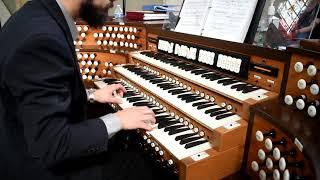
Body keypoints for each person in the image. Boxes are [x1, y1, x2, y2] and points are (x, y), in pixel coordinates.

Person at [0, 0, 157, 180]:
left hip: (20, 146)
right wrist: (118, 120)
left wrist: (90, 95)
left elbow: (33, 100)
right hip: (35, 168)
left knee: (123, 141)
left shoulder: (36, 14)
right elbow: (53, 144)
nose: (114, 0)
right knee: (136, 165)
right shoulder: (42, 38)